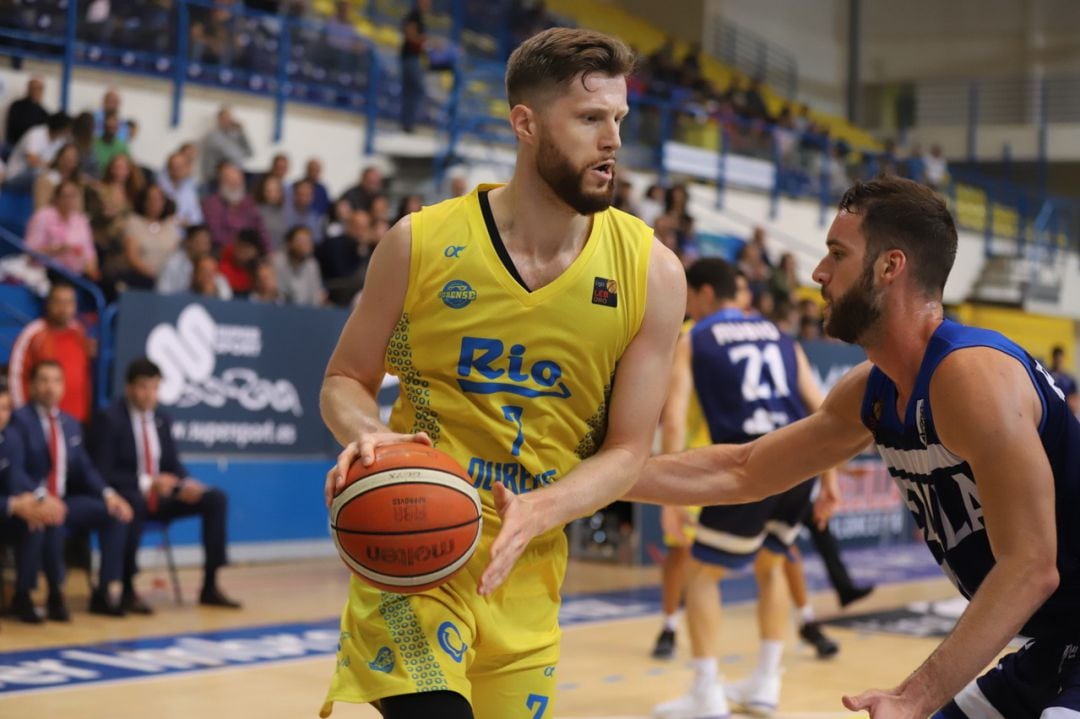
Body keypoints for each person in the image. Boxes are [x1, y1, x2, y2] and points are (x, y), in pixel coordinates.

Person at [318, 27, 684, 719]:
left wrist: (543, 506)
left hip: (528, 581)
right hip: (413, 565)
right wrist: (369, 432)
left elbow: (629, 450)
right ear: (524, 123)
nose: (612, 140)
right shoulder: (418, 242)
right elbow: (344, 378)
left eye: (618, 120)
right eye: (589, 119)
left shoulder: (652, 273)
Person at [629, 176, 1080, 719]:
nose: (818, 273)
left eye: (836, 255)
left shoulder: (969, 375)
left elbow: (1031, 565)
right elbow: (744, 469)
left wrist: (913, 695)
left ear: (890, 267)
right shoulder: (873, 391)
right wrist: (595, 477)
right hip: (1058, 645)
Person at [652, 258, 841, 718]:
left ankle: (705, 692)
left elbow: (673, 417)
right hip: (797, 464)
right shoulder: (779, 334)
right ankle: (764, 682)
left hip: (747, 465)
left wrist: (671, 493)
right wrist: (830, 480)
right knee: (771, 565)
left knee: (701, 574)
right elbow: (823, 410)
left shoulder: (694, 336)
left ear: (701, 295)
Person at [92, 358, 239, 613]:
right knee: (134, 501)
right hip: (129, 497)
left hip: (162, 500)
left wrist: (186, 483)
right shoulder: (110, 418)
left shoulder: (162, 420)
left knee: (216, 498)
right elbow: (103, 473)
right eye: (143, 387)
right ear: (128, 388)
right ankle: (127, 589)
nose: (149, 395)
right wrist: (148, 483)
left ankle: (210, 585)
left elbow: (173, 465)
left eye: (154, 388)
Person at [8, 360, 133, 621]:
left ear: (64, 387)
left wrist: (109, 494)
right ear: (31, 386)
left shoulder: (71, 424)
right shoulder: (18, 420)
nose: (49, 388)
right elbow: (14, 471)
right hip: (33, 498)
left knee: (114, 513)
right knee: (48, 516)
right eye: (43, 380)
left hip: (65, 500)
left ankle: (104, 591)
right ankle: (41, 594)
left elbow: (86, 470)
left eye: (56, 381)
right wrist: (41, 497)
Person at [9, 283, 94, 423]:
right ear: (48, 304)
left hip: (77, 420)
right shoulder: (33, 334)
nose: (64, 308)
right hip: (41, 421)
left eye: (69, 302)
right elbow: (17, 377)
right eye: (59, 302)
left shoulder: (80, 333)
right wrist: (23, 415)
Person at [399, 0, 429, 132]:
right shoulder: (414, 15)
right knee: (417, 90)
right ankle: (408, 123)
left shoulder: (419, 16)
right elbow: (410, 35)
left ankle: (407, 123)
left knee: (411, 91)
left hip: (413, 57)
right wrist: (424, 40)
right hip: (409, 58)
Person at [1049, 345, 1078, 416]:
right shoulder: (1047, 376)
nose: (1059, 361)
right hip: (1052, 411)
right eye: (1057, 358)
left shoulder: (1069, 379)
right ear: (1053, 358)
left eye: (1060, 358)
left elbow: (1074, 398)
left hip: (1066, 412)